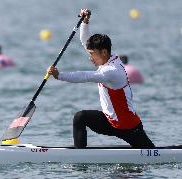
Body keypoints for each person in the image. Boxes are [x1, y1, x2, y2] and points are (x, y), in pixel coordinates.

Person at [47, 9, 155, 149]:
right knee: (80, 117)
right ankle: (80, 156)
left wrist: (59, 75)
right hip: (110, 122)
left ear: (104, 52)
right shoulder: (106, 57)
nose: (90, 57)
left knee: (151, 152)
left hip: (128, 126)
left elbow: (85, 76)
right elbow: (85, 40)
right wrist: (85, 22)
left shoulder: (112, 71)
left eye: (92, 54)